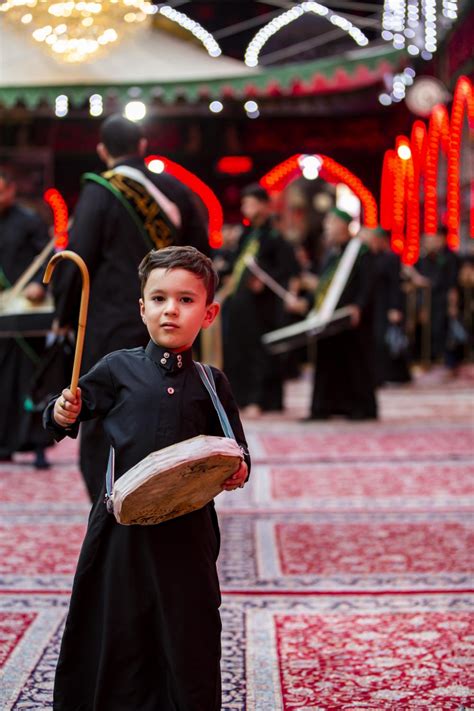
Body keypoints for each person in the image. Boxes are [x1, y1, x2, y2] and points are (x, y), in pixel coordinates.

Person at [44, 246, 250, 711]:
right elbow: (65, 417)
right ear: (142, 308)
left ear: (209, 312)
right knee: (118, 622)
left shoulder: (212, 382)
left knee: (187, 627)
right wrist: (62, 411)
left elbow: (237, 447)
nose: (170, 310)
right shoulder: (117, 368)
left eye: (185, 300)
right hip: (120, 533)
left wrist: (239, 469)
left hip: (188, 532)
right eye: (158, 299)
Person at [53, 114, 209, 502]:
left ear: (103, 150)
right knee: (174, 403)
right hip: (174, 322)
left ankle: (109, 498)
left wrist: (65, 315)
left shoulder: (99, 190)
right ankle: (175, 496)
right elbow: (202, 257)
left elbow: (78, 260)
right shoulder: (175, 189)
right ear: (142, 144)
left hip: (111, 322)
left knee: (104, 408)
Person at [286, 208, 377, 420]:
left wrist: (359, 306)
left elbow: (368, 284)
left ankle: (359, 408)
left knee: (354, 363)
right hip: (329, 319)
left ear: (344, 225)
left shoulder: (360, 251)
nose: (327, 228)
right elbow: (323, 287)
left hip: (351, 319)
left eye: (330, 223)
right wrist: (306, 302)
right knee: (327, 362)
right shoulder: (331, 254)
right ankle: (323, 408)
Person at [223, 183, 299, 416]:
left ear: (265, 205)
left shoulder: (274, 236)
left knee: (259, 352)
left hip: (262, 307)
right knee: (237, 350)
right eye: (244, 204)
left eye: (251, 203)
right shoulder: (246, 234)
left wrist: (264, 282)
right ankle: (240, 397)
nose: (246, 208)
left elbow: (288, 270)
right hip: (240, 304)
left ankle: (259, 398)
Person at [0, 167, 53, 468]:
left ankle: (36, 443)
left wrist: (41, 284)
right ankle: (4, 443)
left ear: (11, 191)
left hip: (25, 316)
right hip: (1, 316)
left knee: (29, 380)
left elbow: (48, 257)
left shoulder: (29, 222)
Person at [367, 227, 411, 386]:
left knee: (389, 340)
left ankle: (394, 374)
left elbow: (395, 285)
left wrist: (395, 307)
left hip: (387, 305)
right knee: (377, 340)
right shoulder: (371, 258)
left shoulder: (392, 258)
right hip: (375, 305)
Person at [416, 225, 461, 371]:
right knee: (432, 331)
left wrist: (452, 305)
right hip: (430, 301)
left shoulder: (450, 257)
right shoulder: (425, 258)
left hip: (444, 300)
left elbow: (452, 284)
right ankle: (434, 360)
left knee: (445, 331)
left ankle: (448, 362)